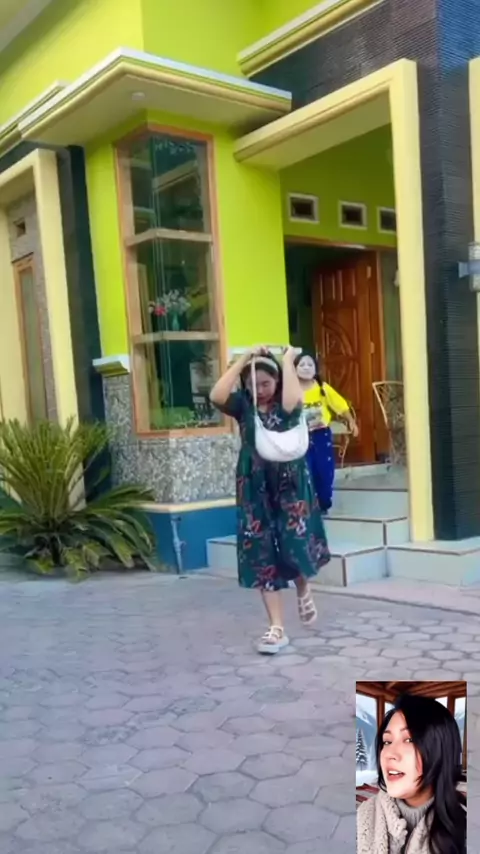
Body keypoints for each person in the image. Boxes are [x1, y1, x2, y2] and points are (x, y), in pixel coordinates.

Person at [209, 346, 330, 654]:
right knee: (260, 551)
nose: (260, 390)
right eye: (254, 384)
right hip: (254, 485)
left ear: (277, 380)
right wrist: (243, 360)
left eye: (266, 383)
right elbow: (216, 395)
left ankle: (302, 585)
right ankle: (276, 628)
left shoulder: (287, 400)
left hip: (290, 484)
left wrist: (287, 359)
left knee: (294, 542)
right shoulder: (243, 405)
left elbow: (292, 402)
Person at [357, 693, 466, 854]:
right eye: (387, 741)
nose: (389, 754)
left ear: (441, 749)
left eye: (409, 740)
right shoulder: (362, 816)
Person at [294, 350, 358, 513]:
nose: (306, 368)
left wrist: (351, 422)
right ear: (294, 369)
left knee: (324, 470)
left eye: (310, 365)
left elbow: (340, 405)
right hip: (300, 436)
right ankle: (307, 505)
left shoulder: (322, 388)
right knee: (305, 469)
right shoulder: (290, 390)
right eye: (302, 365)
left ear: (316, 369)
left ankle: (324, 503)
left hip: (321, 435)